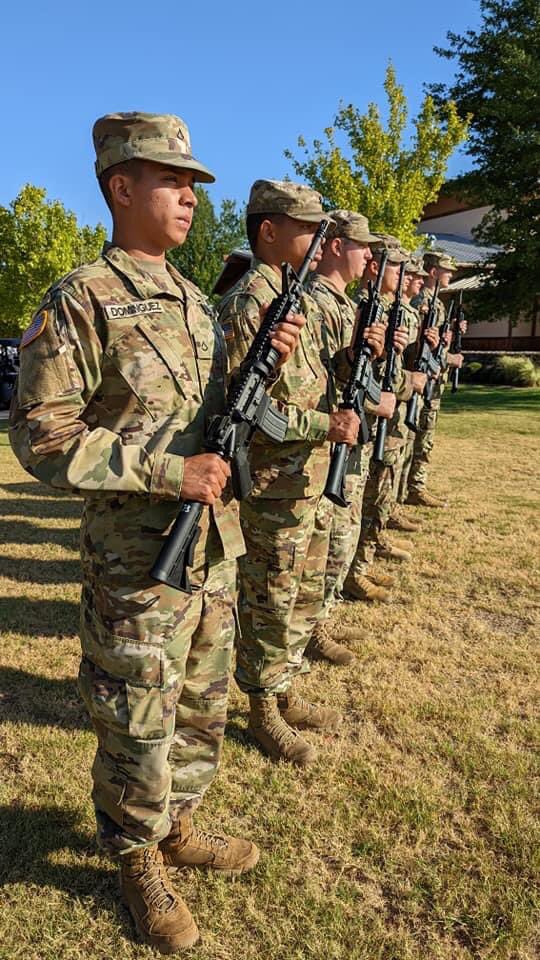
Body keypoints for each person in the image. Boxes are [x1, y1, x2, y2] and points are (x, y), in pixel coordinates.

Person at [9, 112, 304, 955]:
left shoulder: (192, 303)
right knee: (136, 713)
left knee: (202, 706)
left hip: (210, 549)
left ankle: (176, 824)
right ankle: (136, 856)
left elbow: (214, 420)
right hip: (136, 560)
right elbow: (42, 437)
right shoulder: (81, 299)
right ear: (121, 186)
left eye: (192, 184)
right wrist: (168, 472)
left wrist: (264, 372)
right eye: (173, 180)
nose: (188, 196)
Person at [218, 180, 385, 766]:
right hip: (272, 480)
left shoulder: (290, 296)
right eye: (308, 228)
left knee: (299, 591)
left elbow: (313, 384)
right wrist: (325, 429)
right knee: (270, 596)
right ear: (269, 231)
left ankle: (282, 688)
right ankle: (262, 706)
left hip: (306, 476)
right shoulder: (250, 303)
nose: (320, 239)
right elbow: (248, 409)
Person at [305, 210, 396, 664]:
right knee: (323, 546)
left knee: (337, 541)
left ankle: (319, 622)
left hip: (344, 439)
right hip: (321, 443)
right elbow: (317, 384)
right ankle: (311, 629)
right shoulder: (314, 301)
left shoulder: (345, 305)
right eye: (363, 246)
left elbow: (346, 374)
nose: (370, 258)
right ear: (337, 245)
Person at [343, 237, 418, 602]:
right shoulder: (362, 309)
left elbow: (389, 371)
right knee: (361, 503)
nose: (405, 278)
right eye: (397, 268)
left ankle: (359, 566)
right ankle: (353, 574)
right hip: (359, 422)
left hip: (379, 418)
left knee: (372, 500)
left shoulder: (386, 311)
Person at [405, 250, 463, 508]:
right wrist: (449, 358)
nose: (451, 273)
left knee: (423, 437)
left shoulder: (436, 303)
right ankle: (413, 488)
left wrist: (450, 335)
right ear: (433, 272)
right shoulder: (422, 303)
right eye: (446, 269)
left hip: (430, 380)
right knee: (418, 436)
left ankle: (415, 486)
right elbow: (420, 349)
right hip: (422, 380)